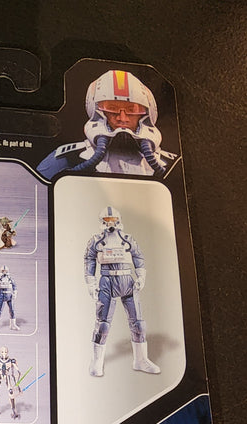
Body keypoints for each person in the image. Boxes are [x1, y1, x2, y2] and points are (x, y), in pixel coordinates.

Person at [37, 69, 177, 179]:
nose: (122, 118)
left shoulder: (172, 165)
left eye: (131, 110)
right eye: (112, 108)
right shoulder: (68, 158)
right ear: (95, 109)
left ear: (146, 113)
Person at [84, 206, 160, 377]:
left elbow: (138, 256)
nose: (111, 223)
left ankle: (141, 360)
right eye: (107, 220)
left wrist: (141, 276)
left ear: (118, 220)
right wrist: (91, 283)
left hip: (128, 281)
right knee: (102, 325)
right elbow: (89, 260)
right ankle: (97, 362)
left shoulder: (127, 239)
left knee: (138, 324)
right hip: (107, 282)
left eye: (113, 220)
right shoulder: (96, 241)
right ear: (102, 221)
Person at [0, 265, 19, 331]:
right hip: (1, 296)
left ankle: (13, 325)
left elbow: (14, 286)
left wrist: (15, 293)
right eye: (3, 271)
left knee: (12, 310)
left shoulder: (10, 279)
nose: (4, 272)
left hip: (9, 296)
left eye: (5, 271)